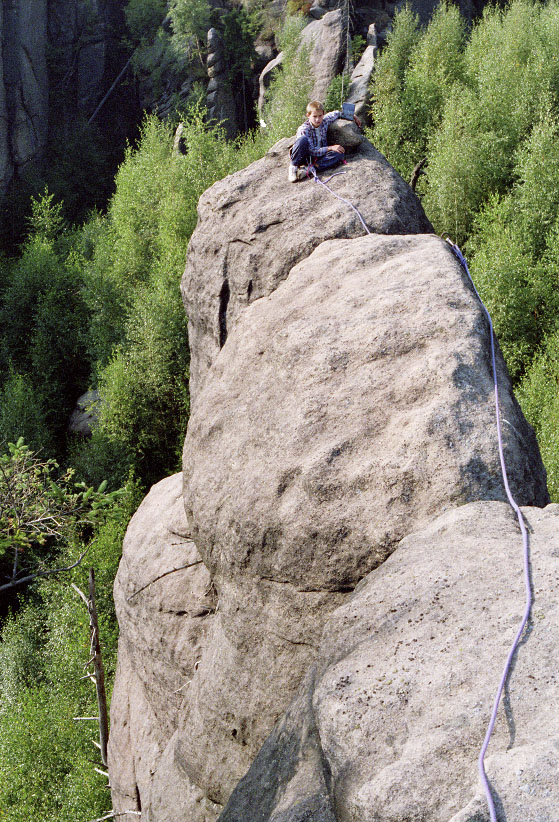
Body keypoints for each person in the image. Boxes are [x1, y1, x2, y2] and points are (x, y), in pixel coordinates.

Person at [288, 100, 362, 182]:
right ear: (308, 115)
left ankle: (310, 169)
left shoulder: (325, 121)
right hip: (305, 155)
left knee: (339, 152)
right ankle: (293, 167)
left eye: (320, 116)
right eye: (314, 116)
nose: (318, 119)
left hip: (319, 156)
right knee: (302, 140)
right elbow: (312, 151)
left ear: (323, 113)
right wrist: (330, 148)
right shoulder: (304, 129)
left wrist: (352, 116)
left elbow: (336, 113)